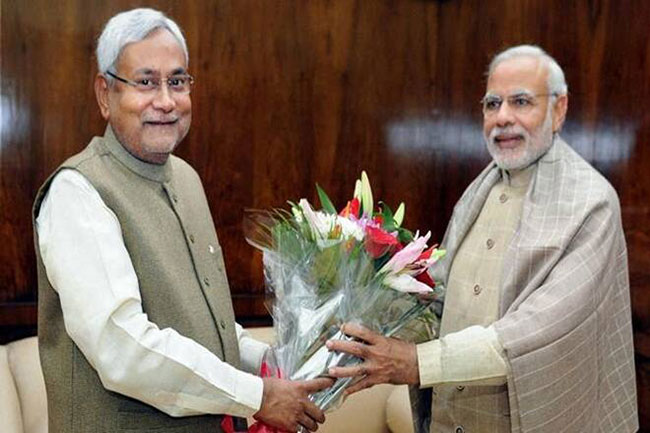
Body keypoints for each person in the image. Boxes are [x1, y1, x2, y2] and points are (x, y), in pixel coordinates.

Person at [33, 8, 330, 433]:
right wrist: (257, 395)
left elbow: (205, 326)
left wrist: (273, 362)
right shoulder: (76, 191)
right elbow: (122, 349)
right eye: (146, 82)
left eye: (177, 81)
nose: (166, 101)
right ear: (104, 94)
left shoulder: (186, 178)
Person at [327, 45, 638, 433]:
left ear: (559, 110)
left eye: (521, 101)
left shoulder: (592, 203)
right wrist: (357, 312)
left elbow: (541, 331)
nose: (502, 117)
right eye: (492, 104)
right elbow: (438, 301)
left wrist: (418, 363)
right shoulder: (478, 192)